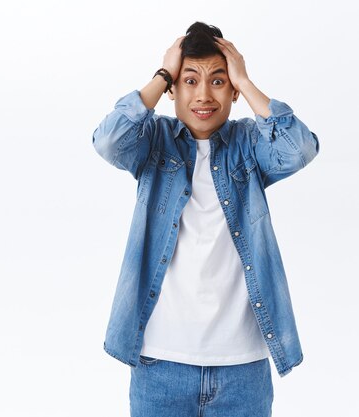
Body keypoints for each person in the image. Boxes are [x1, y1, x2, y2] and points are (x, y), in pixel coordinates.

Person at [91, 22, 319, 417]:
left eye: (217, 81)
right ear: (172, 91)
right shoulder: (155, 142)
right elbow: (109, 140)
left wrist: (244, 80)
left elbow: (298, 148)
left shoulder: (249, 145)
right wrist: (162, 74)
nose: (202, 95)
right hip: (159, 364)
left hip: (243, 369)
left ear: (231, 90)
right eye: (189, 80)